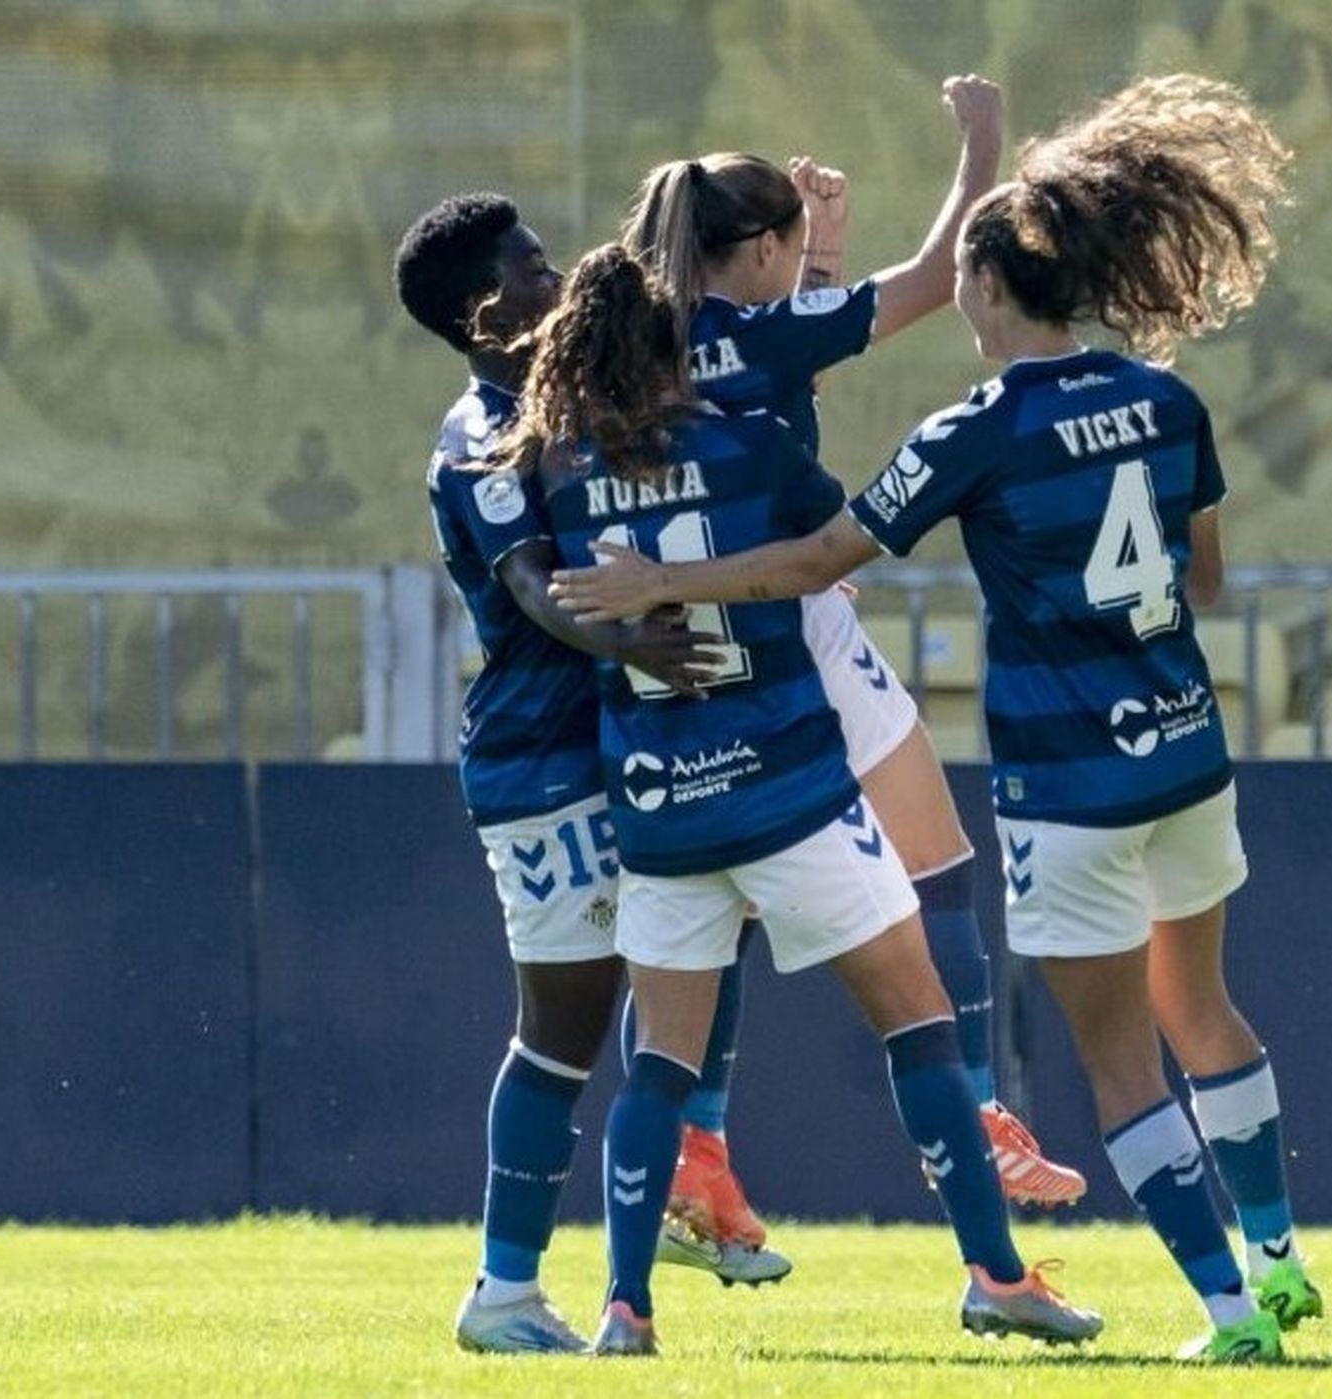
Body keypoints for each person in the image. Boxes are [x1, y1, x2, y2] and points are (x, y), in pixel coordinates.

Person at [550, 74, 1323, 1364]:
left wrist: (645, 588)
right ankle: (1211, 1252)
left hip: (720, 738)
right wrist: (972, 153)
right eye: (792, 248)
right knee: (1100, 984)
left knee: (695, 1017)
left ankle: (652, 1255)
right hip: (1140, 741)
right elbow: (1198, 577)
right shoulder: (1164, 399)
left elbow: (802, 501)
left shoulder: (642, 382)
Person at [504, 244, 1103, 1357]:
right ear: (672, 342)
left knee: (658, 1071)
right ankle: (996, 1275)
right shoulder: (748, 444)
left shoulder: (559, 471)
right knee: (920, 1026)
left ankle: (624, 1307)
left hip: (661, 811)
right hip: (787, 789)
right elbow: (825, 556)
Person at [619, 74, 1085, 1212]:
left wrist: (812, 263)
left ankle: (698, 1149)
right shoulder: (753, 333)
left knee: (703, 898)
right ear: (761, 248)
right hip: (788, 612)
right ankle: (978, 1110)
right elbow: (931, 283)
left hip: (669, 632)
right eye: (790, 245)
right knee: (937, 865)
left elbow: (768, 375)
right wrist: (980, 149)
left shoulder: (639, 340)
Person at [392, 193, 789, 1357]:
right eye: (526, 264)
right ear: (483, 307)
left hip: (627, 736)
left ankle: (689, 1181)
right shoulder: (480, 434)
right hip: (543, 757)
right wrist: (631, 640)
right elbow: (529, 585)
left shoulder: (576, 395)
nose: (553, 270)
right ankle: (503, 1291)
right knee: (563, 1027)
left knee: (717, 928)